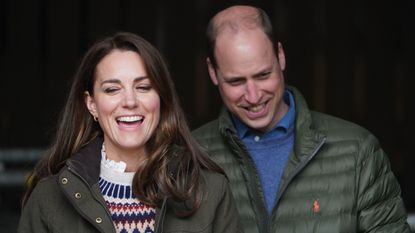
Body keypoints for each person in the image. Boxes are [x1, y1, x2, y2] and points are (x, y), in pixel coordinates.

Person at [192, 5, 411, 233]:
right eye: (236, 81)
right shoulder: (190, 155)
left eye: (263, 75)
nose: (254, 96)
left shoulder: (358, 152)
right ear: (212, 72)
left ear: (281, 56)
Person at [18, 32, 240, 233]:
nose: (130, 102)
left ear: (161, 98)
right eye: (112, 89)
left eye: (143, 87)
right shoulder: (47, 200)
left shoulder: (211, 191)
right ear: (91, 104)